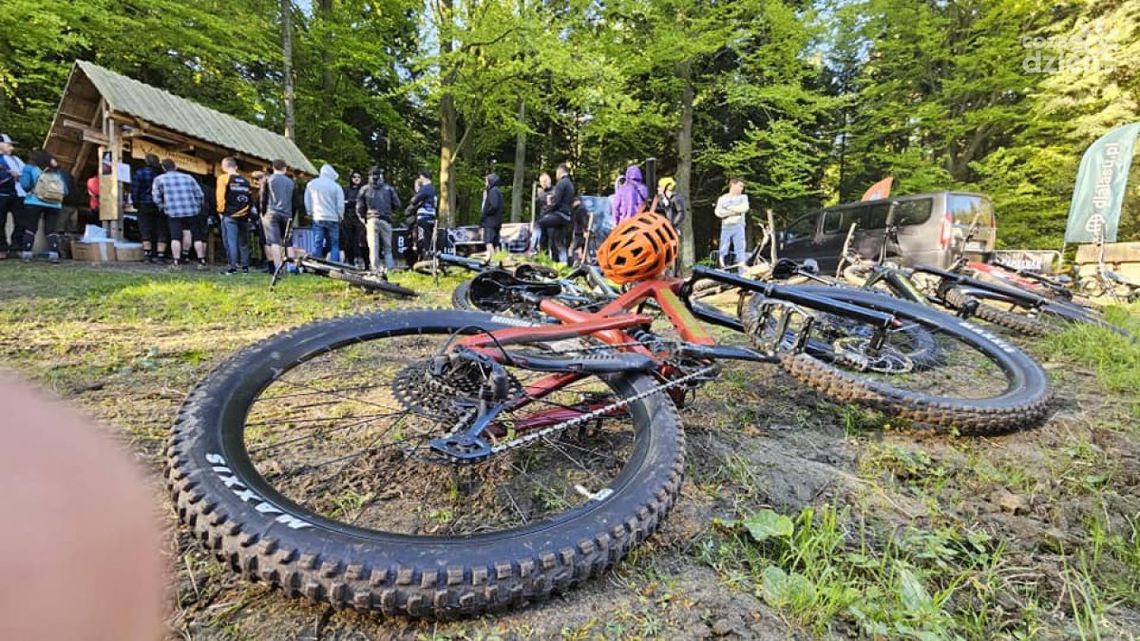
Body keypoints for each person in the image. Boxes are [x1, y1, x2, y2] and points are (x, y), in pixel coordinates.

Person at [152, 158, 205, 269]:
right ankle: (201, 262)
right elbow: (200, 194)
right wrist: (197, 207)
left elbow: (156, 198)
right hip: (192, 211)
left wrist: (163, 207)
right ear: (175, 166)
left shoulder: (159, 179)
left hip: (173, 212)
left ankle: (176, 262)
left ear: (163, 168)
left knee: (175, 237)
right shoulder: (188, 177)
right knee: (196, 237)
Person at [17, 150, 68, 262]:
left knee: (30, 228)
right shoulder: (57, 172)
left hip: (34, 202)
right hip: (55, 204)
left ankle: (27, 254)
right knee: (51, 229)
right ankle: (54, 254)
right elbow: (65, 190)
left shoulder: (29, 168)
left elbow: (25, 185)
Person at [356, 166, 400, 274]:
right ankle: (390, 268)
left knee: (373, 247)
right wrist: (390, 211)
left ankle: (375, 269)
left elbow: (359, 207)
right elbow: (397, 204)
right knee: (388, 247)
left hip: (371, 220)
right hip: (386, 219)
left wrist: (364, 218)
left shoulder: (364, 189)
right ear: (381, 176)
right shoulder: (388, 189)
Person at [215, 157, 254, 274]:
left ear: (223, 167)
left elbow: (220, 197)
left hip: (229, 215)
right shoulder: (246, 181)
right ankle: (245, 267)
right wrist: (247, 212)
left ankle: (232, 268)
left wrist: (220, 212)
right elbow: (250, 198)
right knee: (244, 242)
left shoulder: (223, 179)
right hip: (245, 215)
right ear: (236, 167)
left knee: (231, 241)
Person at [304, 164, 345, 262]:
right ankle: (334, 265)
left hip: (318, 217)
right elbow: (340, 204)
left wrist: (310, 212)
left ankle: (317, 264)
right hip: (333, 218)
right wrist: (340, 216)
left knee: (317, 242)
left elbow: (307, 200)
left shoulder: (311, 184)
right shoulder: (336, 187)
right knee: (334, 244)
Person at [260, 159, 294, 272]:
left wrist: (262, 212)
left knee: (274, 242)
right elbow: (295, 201)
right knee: (288, 242)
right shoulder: (291, 182)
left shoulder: (268, 179)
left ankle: (278, 268)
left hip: (272, 213)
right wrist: (291, 214)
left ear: (273, 168)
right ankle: (292, 268)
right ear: (285, 169)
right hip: (287, 214)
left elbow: (263, 197)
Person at [132, 154, 166, 263]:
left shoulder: (140, 172)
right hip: (160, 206)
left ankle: (147, 254)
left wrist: (135, 202)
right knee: (160, 229)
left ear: (146, 161)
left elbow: (135, 189)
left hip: (144, 204)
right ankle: (160, 255)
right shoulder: (161, 174)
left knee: (145, 229)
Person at [538, 163, 574, 263]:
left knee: (541, 223)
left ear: (560, 172)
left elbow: (556, 202)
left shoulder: (561, 183)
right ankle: (562, 262)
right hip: (567, 216)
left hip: (560, 215)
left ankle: (543, 255)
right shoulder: (570, 184)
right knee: (558, 240)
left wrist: (546, 212)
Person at [715, 177, 749, 273]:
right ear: (733, 185)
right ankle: (723, 270)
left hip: (739, 226)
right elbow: (718, 212)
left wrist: (728, 209)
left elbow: (744, 208)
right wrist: (734, 212)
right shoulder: (723, 198)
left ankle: (742, 272)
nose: (742, 188)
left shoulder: (743, 198)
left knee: (740, 250)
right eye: (740, 186)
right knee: (723, 249)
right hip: (726, 227)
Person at [0, 133, 25, 259]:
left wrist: (18, 175)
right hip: (2, 194)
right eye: (8, 145)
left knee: (21, 222)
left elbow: (25, 174)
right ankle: (2, 248)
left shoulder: (16, 159)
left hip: (18, 194)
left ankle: (16, 247)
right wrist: (9, 176)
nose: (11, 148)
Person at [406, 170, 437, 264]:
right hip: (432, 216)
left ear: (423, 177)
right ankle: (429, 259)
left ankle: (426, 260)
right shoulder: (433, 189)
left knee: (423, 239)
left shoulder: (425, 188)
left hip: (424, 217)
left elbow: (414, 200)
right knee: (429, 238)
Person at [341, 170, 366, 268]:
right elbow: (343, 203)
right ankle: (350, 260)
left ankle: (360, 260)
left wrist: (350, 203)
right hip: (348, 218)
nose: (356, 179)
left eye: (358, 177)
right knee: (348, 240)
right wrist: (353, 203)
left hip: (360, 219)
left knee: (359, 240)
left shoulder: (363, 190)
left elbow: (363, 203)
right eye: (354, 177)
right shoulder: (346, 189)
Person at [480, 172, 504, 256]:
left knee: (488, 242)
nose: (485, 183)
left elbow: (494, 206)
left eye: (486, 181)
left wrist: (486, 213)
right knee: (496, 243)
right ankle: (498, 260)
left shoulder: (493, 191)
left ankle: (493, 262)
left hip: (490, 222)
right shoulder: (498, 191)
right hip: (497, 222)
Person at [529, 172, 553, 254]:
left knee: (553, 241)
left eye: (545, 181)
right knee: (542, 240)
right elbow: (536, 208)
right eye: (542, 182)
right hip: (542, 219)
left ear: (549, 180)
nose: (544, 183)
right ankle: (542, 256)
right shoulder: (540, 193)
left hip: (552, 219)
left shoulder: (555, 191)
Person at [569, 196, 591, 265]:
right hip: (579, 232)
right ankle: (586, 262)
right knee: (584, 248)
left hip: (580, 233)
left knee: (572, 249)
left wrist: (585, 230)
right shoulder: (578, 209)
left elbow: (583, 221)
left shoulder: (580, 210)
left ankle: (573, 263)